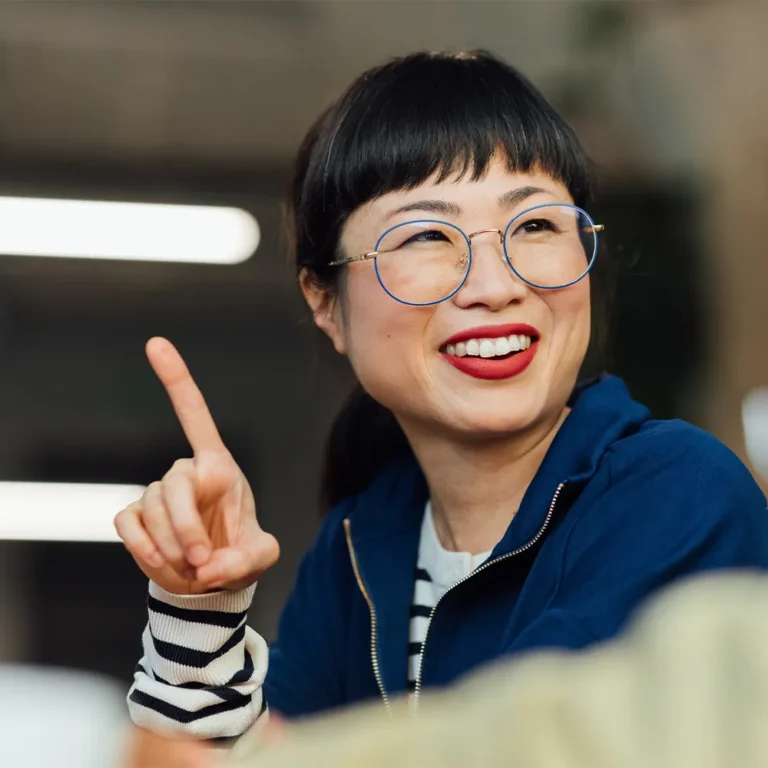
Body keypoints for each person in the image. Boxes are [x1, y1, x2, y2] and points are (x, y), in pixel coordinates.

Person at [114, 50, 768, 745]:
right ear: (326, 303)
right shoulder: (357, 551)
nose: (493, 284)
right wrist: (199, 607)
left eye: (537, 225)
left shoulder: (679, 495)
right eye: (427, 235)